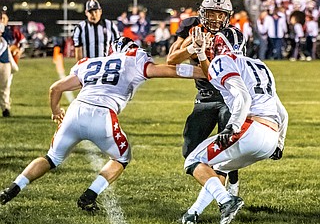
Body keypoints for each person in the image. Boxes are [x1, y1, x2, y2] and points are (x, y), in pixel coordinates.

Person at [0, 37, 205, 211]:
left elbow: (56, 88)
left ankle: (12, 189)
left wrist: (56, 111)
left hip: (75, 111)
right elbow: (171, 70)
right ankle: (90, 196)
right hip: (103, 115)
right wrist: (204, 73)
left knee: (51, 158)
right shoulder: (134, 60)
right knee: (122, 157)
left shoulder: (89, 63)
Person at [184, 26, 288, 224]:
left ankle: (227, 201)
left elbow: (243, 97)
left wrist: (232, 126)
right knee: (219, 167)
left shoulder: (224, 60)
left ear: (221, 45)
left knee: (193, 160)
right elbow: (282, 112)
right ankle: (193, 212)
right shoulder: (260, 65)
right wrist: (280, 143)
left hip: (250, 128)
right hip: (271, 136)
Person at [166, 0, 241, 224]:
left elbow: (217, 74)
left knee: (222, 154)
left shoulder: (234, 36)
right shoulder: (194, 31)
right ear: (202, 13)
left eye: (220, 14)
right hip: (205, 97)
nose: (216, 19)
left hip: (229, 96)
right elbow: (172, 59)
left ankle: (205, 206)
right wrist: (192, 48)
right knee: (190, 150)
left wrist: (200, 53)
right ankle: (230, 189)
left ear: (227, 16)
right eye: (211, 13)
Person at [0, 21, 13, 117]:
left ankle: (5, 108)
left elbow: (10, 38)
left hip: (4, 62)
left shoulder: (5, 31)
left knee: (4, 87)